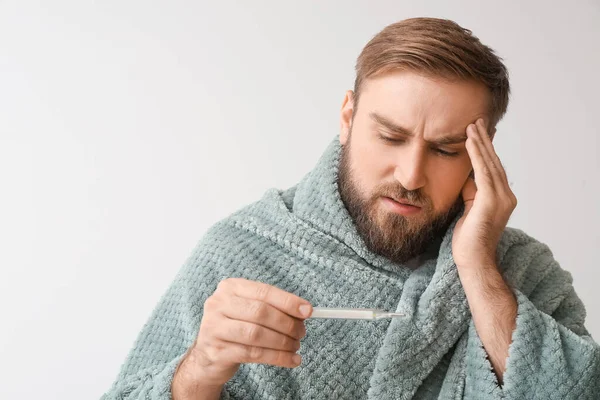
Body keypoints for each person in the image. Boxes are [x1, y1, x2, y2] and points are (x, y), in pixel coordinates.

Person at [101, 17, 599, 399]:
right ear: (347, 117)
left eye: (446, 150)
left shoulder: (523, 273)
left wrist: (476, 267)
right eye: (390, 136)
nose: (409, 175)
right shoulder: (241, 251)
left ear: (482, 153)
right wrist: (199, 369)